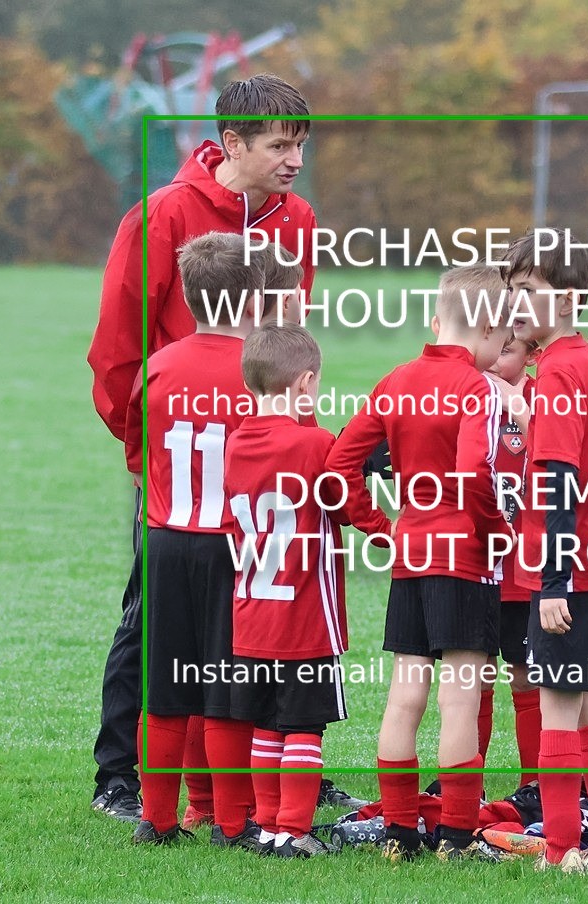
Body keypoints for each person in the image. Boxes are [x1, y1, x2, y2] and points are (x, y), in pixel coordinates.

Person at [87, 73, 318, 821]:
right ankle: (119, 776)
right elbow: (119, 356)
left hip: (263, 473)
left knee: (262, 619)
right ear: (232, 144)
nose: (293, 161)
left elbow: (289, 349)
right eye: (279, 146)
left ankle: (264, 776)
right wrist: (144, 454)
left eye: (300, 146)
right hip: (176, 471)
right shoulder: (161, 216)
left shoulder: (298, 220)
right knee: (150, 622)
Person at [326, 265, 513, 863]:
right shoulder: (477, 389)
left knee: (405, 696)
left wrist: (383, 530)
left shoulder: (395, 380)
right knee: (460, 698)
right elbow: (473, 474)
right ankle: (458, 837)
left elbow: (339, 466)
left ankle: (401, 834)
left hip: (412, 556)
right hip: (464, 557)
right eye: (502, 337)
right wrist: (499, 534)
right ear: (484, 327)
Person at [125, 232, 263, 845]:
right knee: (228, 685)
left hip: (162, 539)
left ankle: (157, 818)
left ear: (188, 295)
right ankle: (230, 821)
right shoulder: (261, 374)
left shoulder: (158, 366)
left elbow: (136, 452)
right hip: (230, 545)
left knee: (165, 683)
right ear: (255, 300)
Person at [505, 230, 588, 874]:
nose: (518, 303)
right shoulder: (581, 359)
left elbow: (561, 479)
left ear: (571, 300)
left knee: (559, 706)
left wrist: (553, 579)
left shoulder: (557, 367)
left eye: (530, 291)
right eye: (513, 290)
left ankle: (561, 850)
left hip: (572, 568)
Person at [223, 322, 350, 857]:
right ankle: (295, 830)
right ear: (304, 385)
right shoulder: (316, 442)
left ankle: (270, 824)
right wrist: (389, 533)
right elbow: (345, 504)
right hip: (304, 615)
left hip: (253, 611)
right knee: (303, 727)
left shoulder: (236, 443)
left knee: (265, 726)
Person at [484, 336, 540, 787]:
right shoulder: (466, 399)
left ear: (531, 355)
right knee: (475, 676)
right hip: (477, 567)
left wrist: (520, 408)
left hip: (523, 572)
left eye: (509, 349)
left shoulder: (542, 402)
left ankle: (532, 785)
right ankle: (470, 784)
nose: (496, 359)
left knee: (526, 678)